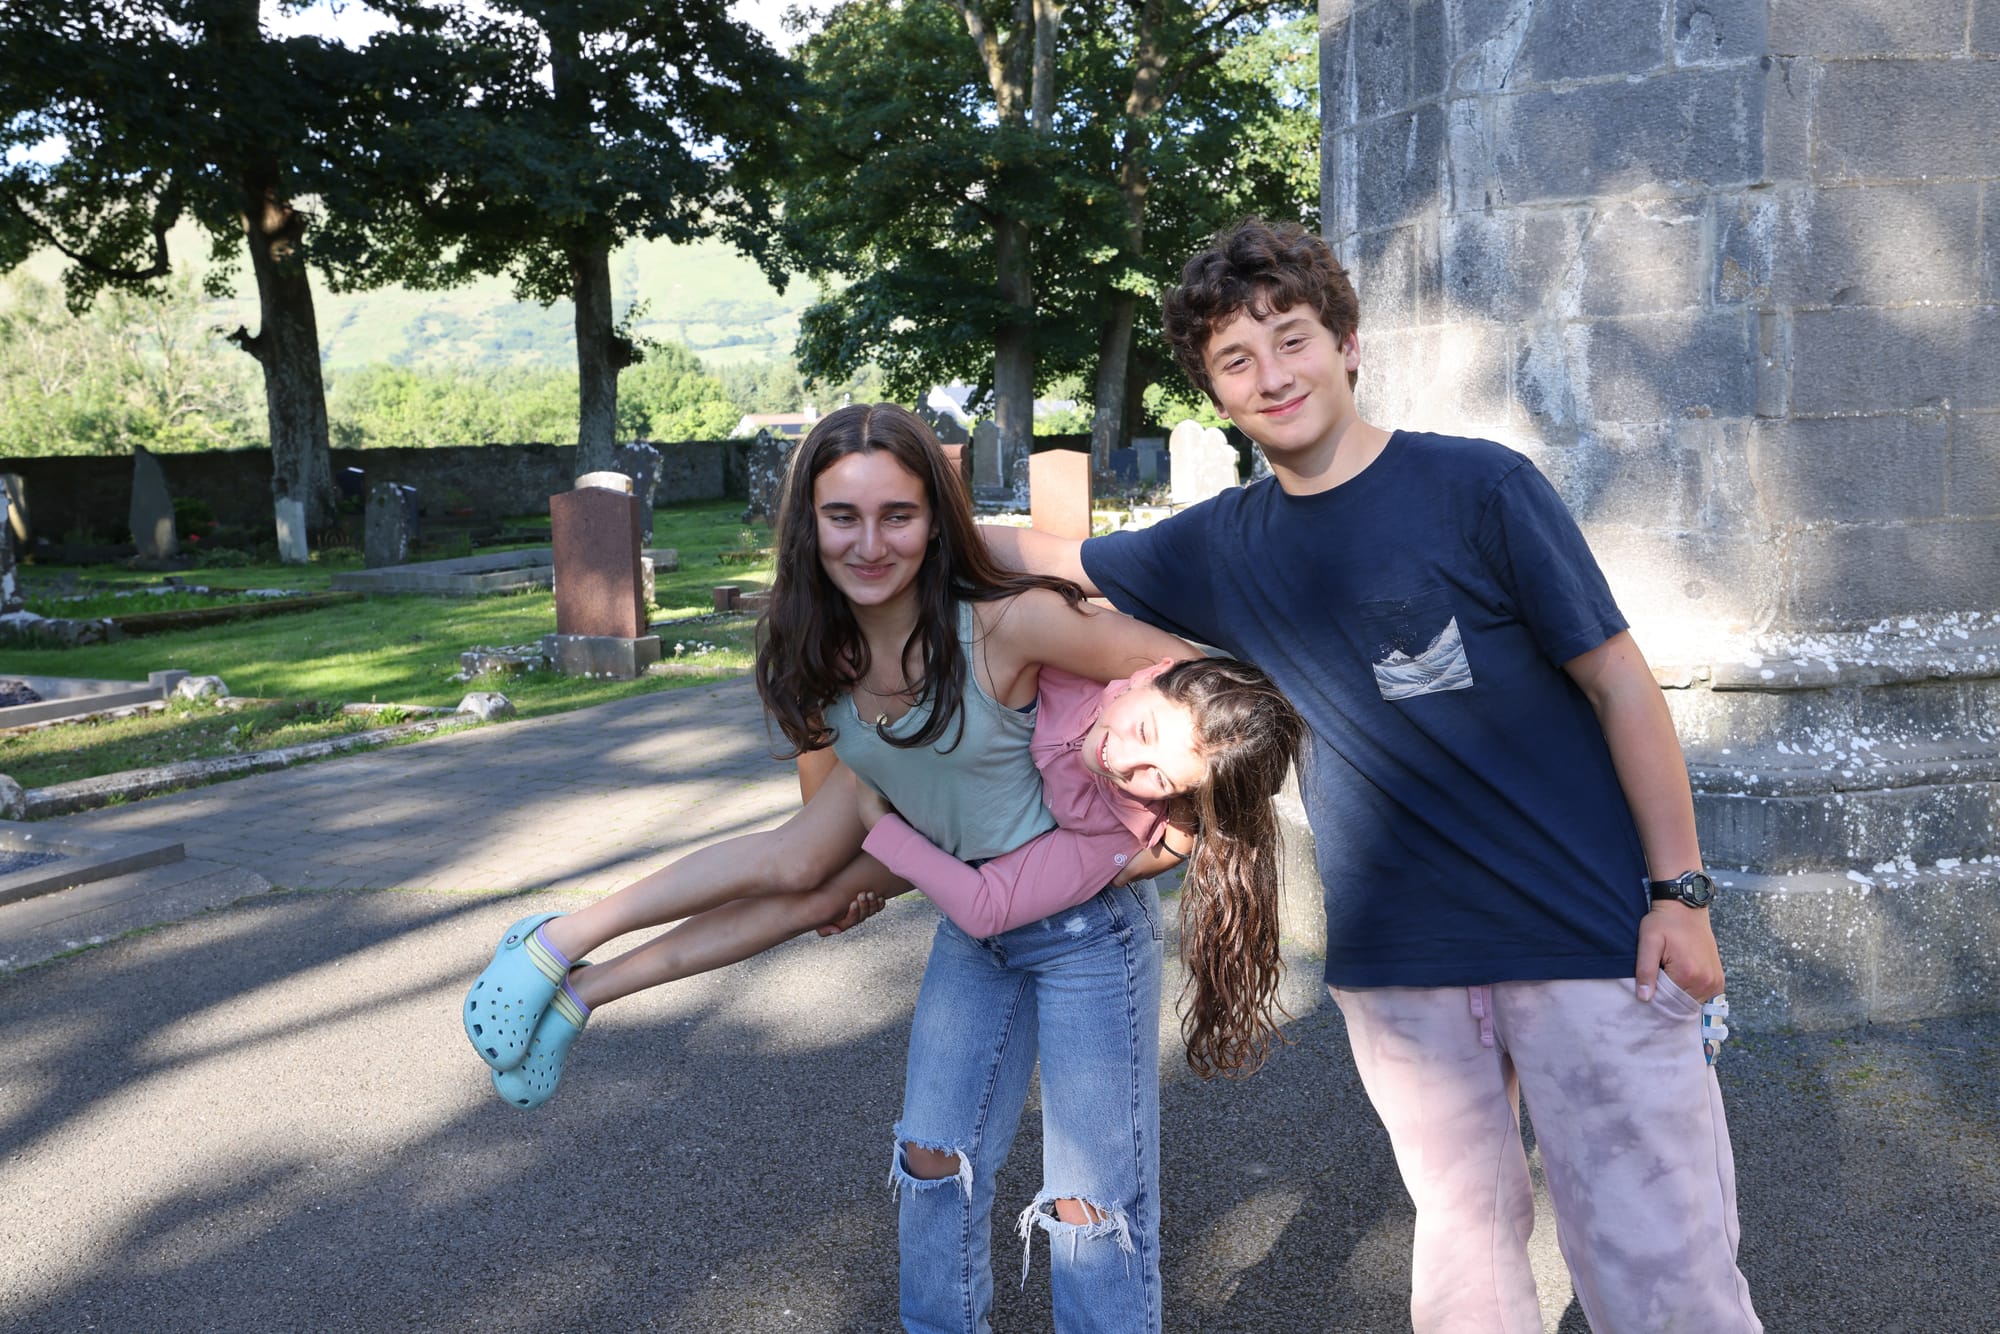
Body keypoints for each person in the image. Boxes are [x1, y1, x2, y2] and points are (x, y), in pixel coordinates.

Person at [983, 219, 1762, 1333]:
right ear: (1214, 393)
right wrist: (884, 538)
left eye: (1291, 339)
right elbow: (1046, 558)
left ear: (1348, 344)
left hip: (1581, 930)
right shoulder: (1220, 545)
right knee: (1462, 1265)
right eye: (1235, 360)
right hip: (1399, 965)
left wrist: (1678, 893)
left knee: (1662, 1261)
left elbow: (1619, 682)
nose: (1271, 375)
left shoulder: (1478, 487)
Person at [462, 402, 1300, 1331]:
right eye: (843, 516)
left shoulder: (1014, 624)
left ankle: (568, 972)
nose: (869, 543)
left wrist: (1154, 849)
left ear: (934, 521)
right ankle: (568, 971)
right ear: (808, 524)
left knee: (1086, 1205)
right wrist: (857, 876)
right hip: (955, 885)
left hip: (1075, 922)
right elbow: (813, 823)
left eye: (898, 515)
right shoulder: (816, 641)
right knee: (926, 1150)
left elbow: (1206, 710)